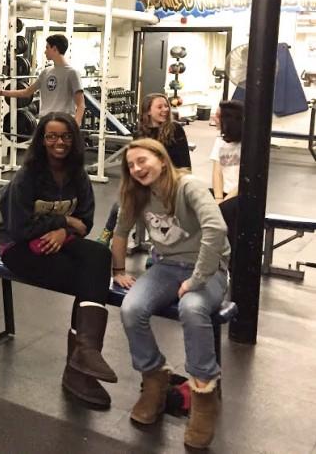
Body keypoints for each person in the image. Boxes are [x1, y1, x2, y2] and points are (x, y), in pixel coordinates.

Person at [113, 138, 231, 450]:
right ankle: (155, 381)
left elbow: (216, 229)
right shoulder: (136, 193)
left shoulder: (187, 186)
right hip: (165, 267)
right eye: (131, 165)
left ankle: (203, 398)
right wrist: (118, 270)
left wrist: (197, 279)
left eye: (143, 161)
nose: (137, 169)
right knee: (131, 308)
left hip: (208, 269)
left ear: (162, 160)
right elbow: (120, 231)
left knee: (192, 309)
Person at [0, 112, 117, 408]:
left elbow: (85, 222)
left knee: (100, 254)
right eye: (51, 136)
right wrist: (64, 221)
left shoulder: (78, 175)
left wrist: (63, 231)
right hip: (18, 248)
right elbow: (18, 228)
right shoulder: (27, 177)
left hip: (59, 240)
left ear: (73, 139)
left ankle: (85, 353)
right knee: (88, 278)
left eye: (64, 136)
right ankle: (77, 371)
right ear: (42, 140)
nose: (58, 142)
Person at [98, 92, 192, 245]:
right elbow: (135, 162)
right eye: (159, 107)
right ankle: (107, 233)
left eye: (166, 106)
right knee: (121, 202)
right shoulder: (140, 132)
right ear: (148, 111)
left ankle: (155, 246)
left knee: (158, 208)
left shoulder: (175, 130)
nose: (165, 110)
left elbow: (184, 164)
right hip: (146, 180)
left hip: (169, 182)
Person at [0, 33, 84, 125]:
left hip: (64, 123)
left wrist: (75, 126)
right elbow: (27, 92)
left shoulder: (72, 73)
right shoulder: (46, 72)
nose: (45, 51)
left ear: (55, 49)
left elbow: (81, 105)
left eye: (47, 48)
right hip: (45, 122)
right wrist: (1, 92)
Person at [210, 100, 243, 248]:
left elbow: (245, 178)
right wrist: (218, 197)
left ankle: (228, 258)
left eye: (217, 116)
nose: (213, 118)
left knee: (224, 211)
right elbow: (217, 172)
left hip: (240, 194)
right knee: (195, 201)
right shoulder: (220, 142)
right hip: (223, 193)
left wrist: (226, 200)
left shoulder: (248, 144)